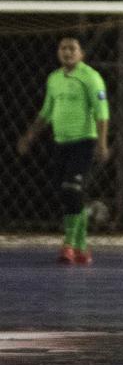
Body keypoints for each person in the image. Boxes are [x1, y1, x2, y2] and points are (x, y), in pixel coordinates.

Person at [16, 36, 111, 265]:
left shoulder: (90, 77)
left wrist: (102, 143)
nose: (67, 52)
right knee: (68, 195)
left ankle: (68, 244)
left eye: (72, 48)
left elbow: (102, 112)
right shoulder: (54, 78)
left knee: (72, 188)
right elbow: (46, 111)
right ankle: (82, 246)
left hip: (84, 142)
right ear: (58, 52)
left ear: (81, 53)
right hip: (60, 143)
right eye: (63, 48)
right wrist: (29, 136)